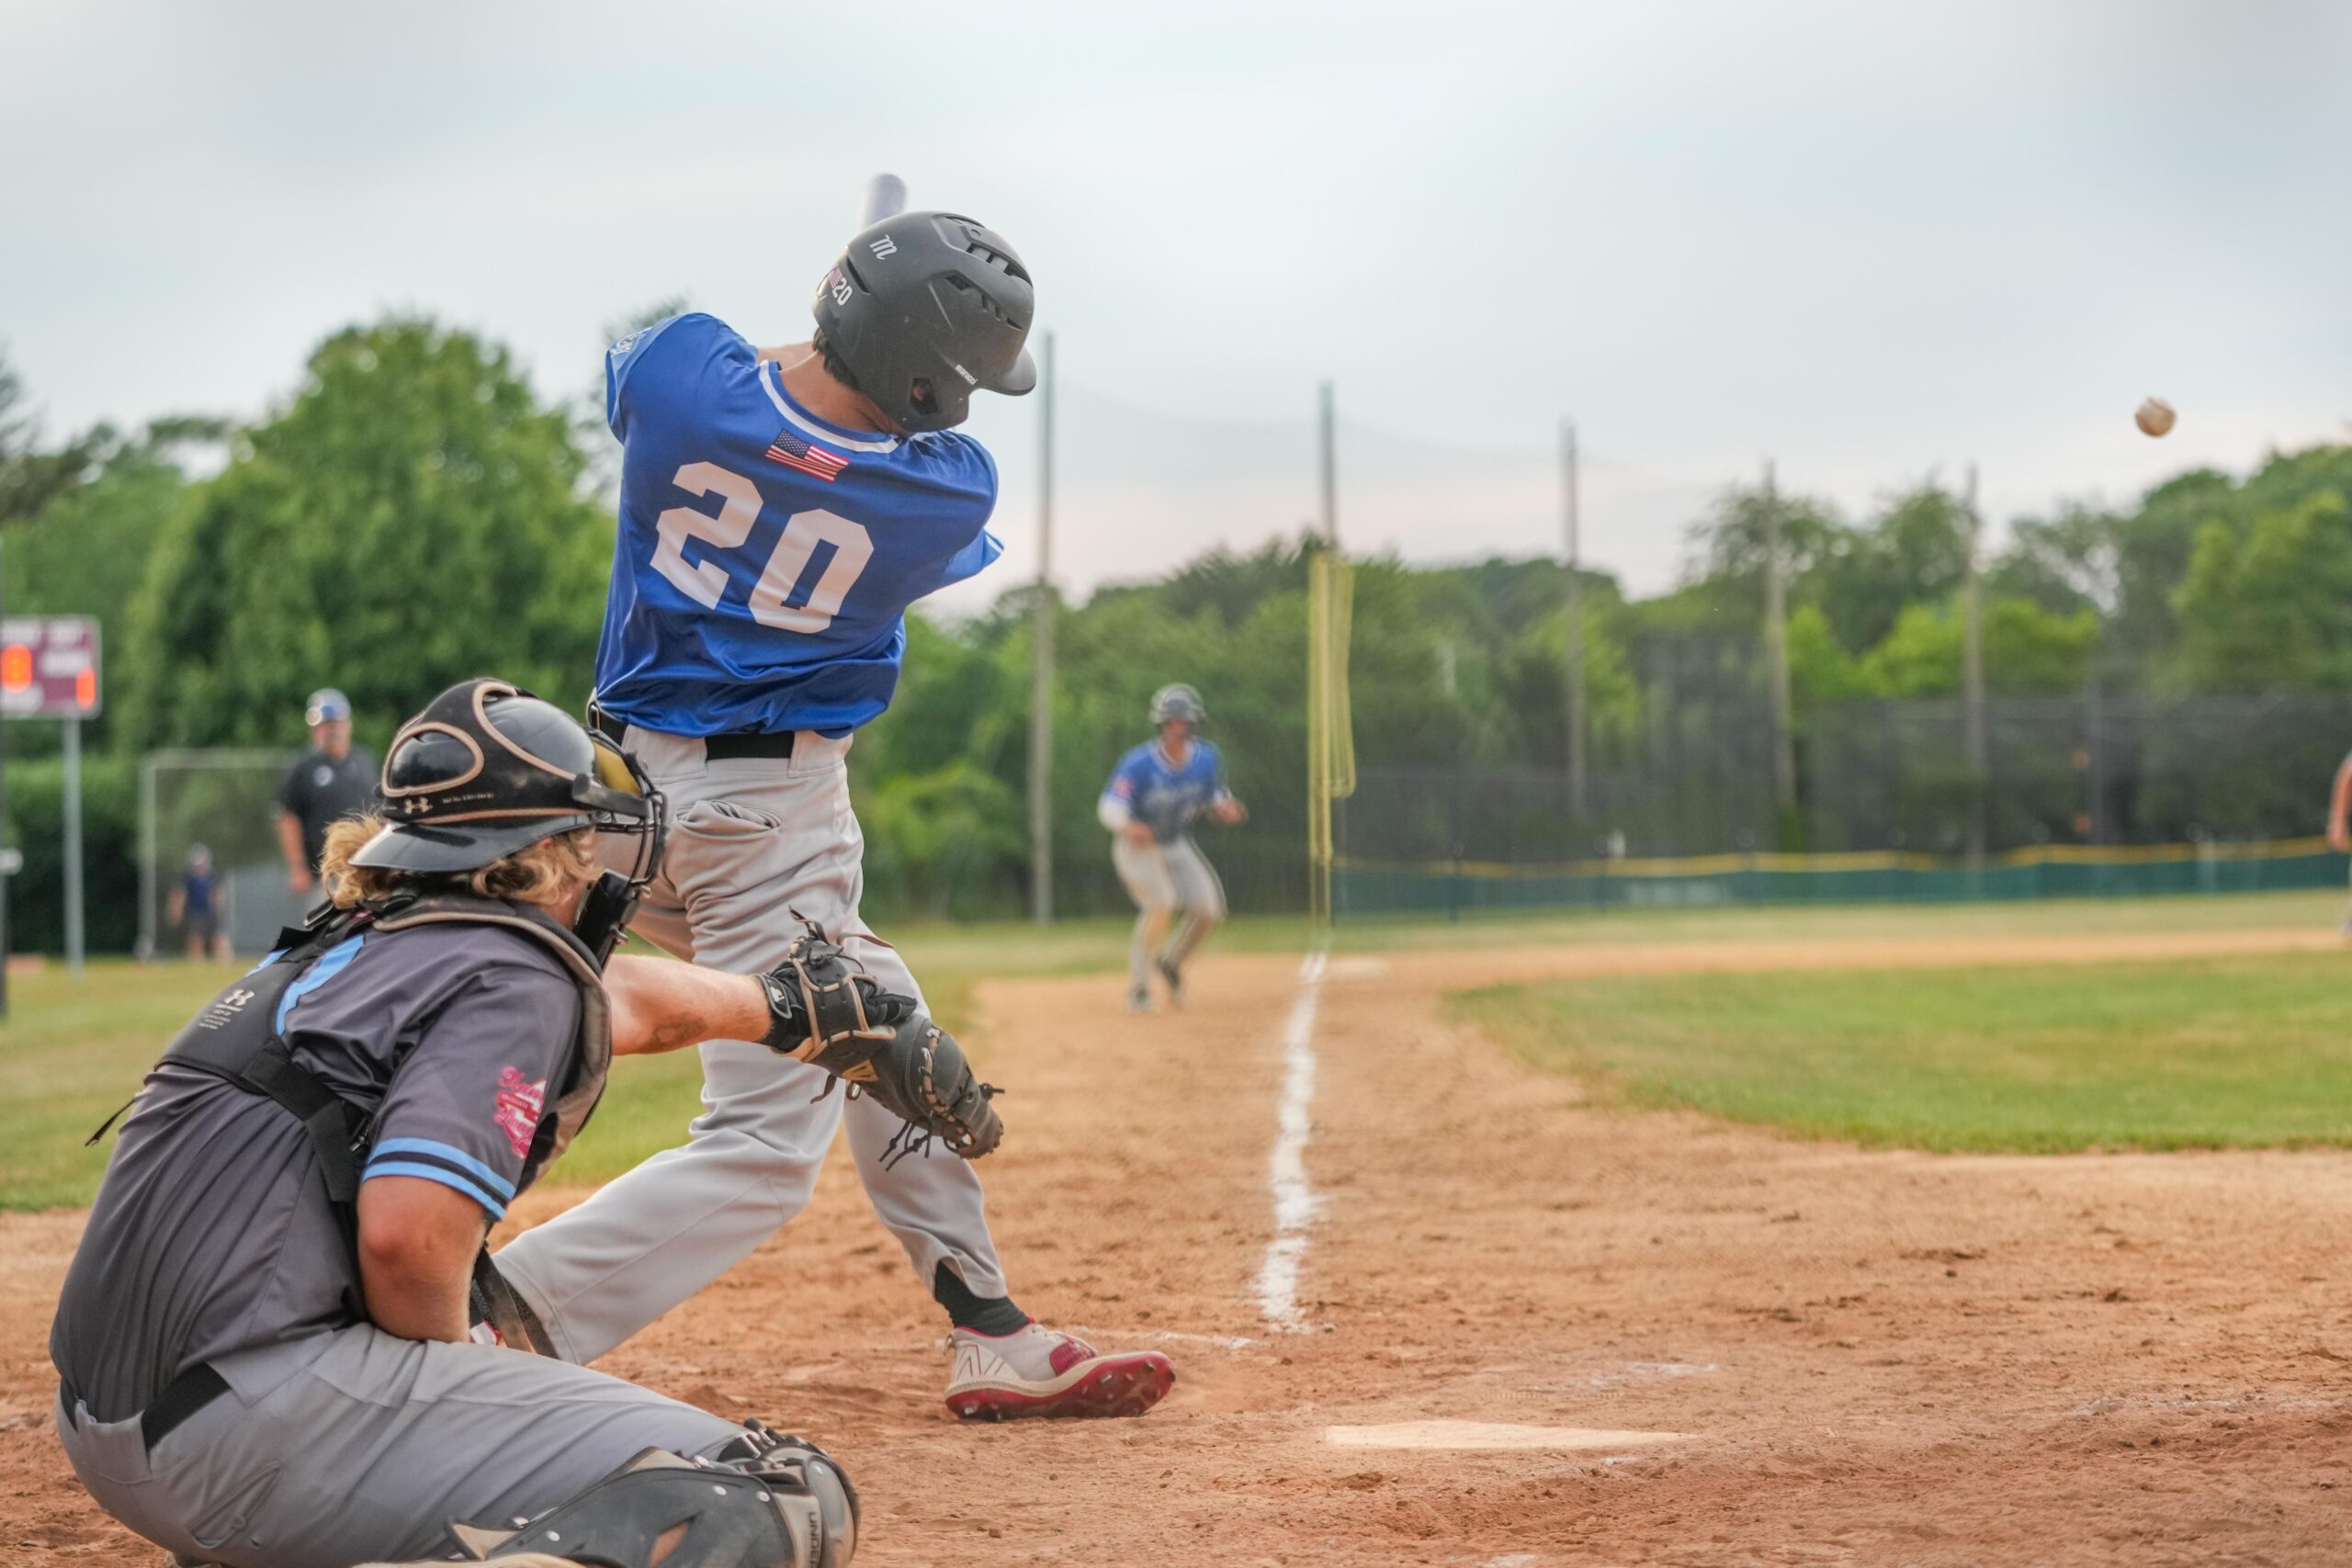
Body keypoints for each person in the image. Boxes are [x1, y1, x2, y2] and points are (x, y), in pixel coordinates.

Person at [484, 210, 1175, 1422]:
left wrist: (842, 334)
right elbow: (865, 451)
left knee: (877, 1024)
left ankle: (990, 1325)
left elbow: (702, 387)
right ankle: (505, 1318)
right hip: (772, 820)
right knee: (760, 1144)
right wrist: (868, 375)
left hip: (623, 804)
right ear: (923, 382)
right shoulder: (943, 495)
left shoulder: (681, 376)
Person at [52, 680, 870, 1568]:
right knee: (765, 1496)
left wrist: (783, 1005)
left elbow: (619, 1003)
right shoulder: (513, 968)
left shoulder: (345, 942)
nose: (596, 864)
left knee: (462, 1318)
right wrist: (463, 1377)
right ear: (541, 855)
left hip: (115, 1426)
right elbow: (408, 1241)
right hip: (246, 1439)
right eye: (582, 838)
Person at [1099, 684, 1247, 1011]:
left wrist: (1224, 808)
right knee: (1162, 903)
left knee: (1208, 910)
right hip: (1137, 847)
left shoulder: (1206, 759)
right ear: (1161, 726)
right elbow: (1110, 806)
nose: (1177, 728)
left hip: (1176, 842)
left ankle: (1171, 962)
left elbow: (1214, 796)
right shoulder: (1139, 763)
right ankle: (1138, 989)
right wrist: (1128, 825)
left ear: (1194, 724)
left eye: (1184, 721)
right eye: (1171, 722)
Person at [274, 687, 379, 897]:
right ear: (314, 729)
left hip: (368, 869)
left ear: (347, 723)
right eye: (324, 725)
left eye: (334, 723)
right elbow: (287, 817)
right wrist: (297, 868)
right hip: (325, 875)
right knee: (328, 927)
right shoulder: (304, 767)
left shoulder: (364, 760)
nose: (331, 730)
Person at [165, 843, 232, 962]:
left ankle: (224, 962)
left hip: (211, 912)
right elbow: (180, 895)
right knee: (196, 938)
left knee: (218, 937)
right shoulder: (187, 877)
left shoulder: (213, 875)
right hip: (195, 912)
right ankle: (196, 963)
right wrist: (176, 911)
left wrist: (218, 907)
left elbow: (218, 893)